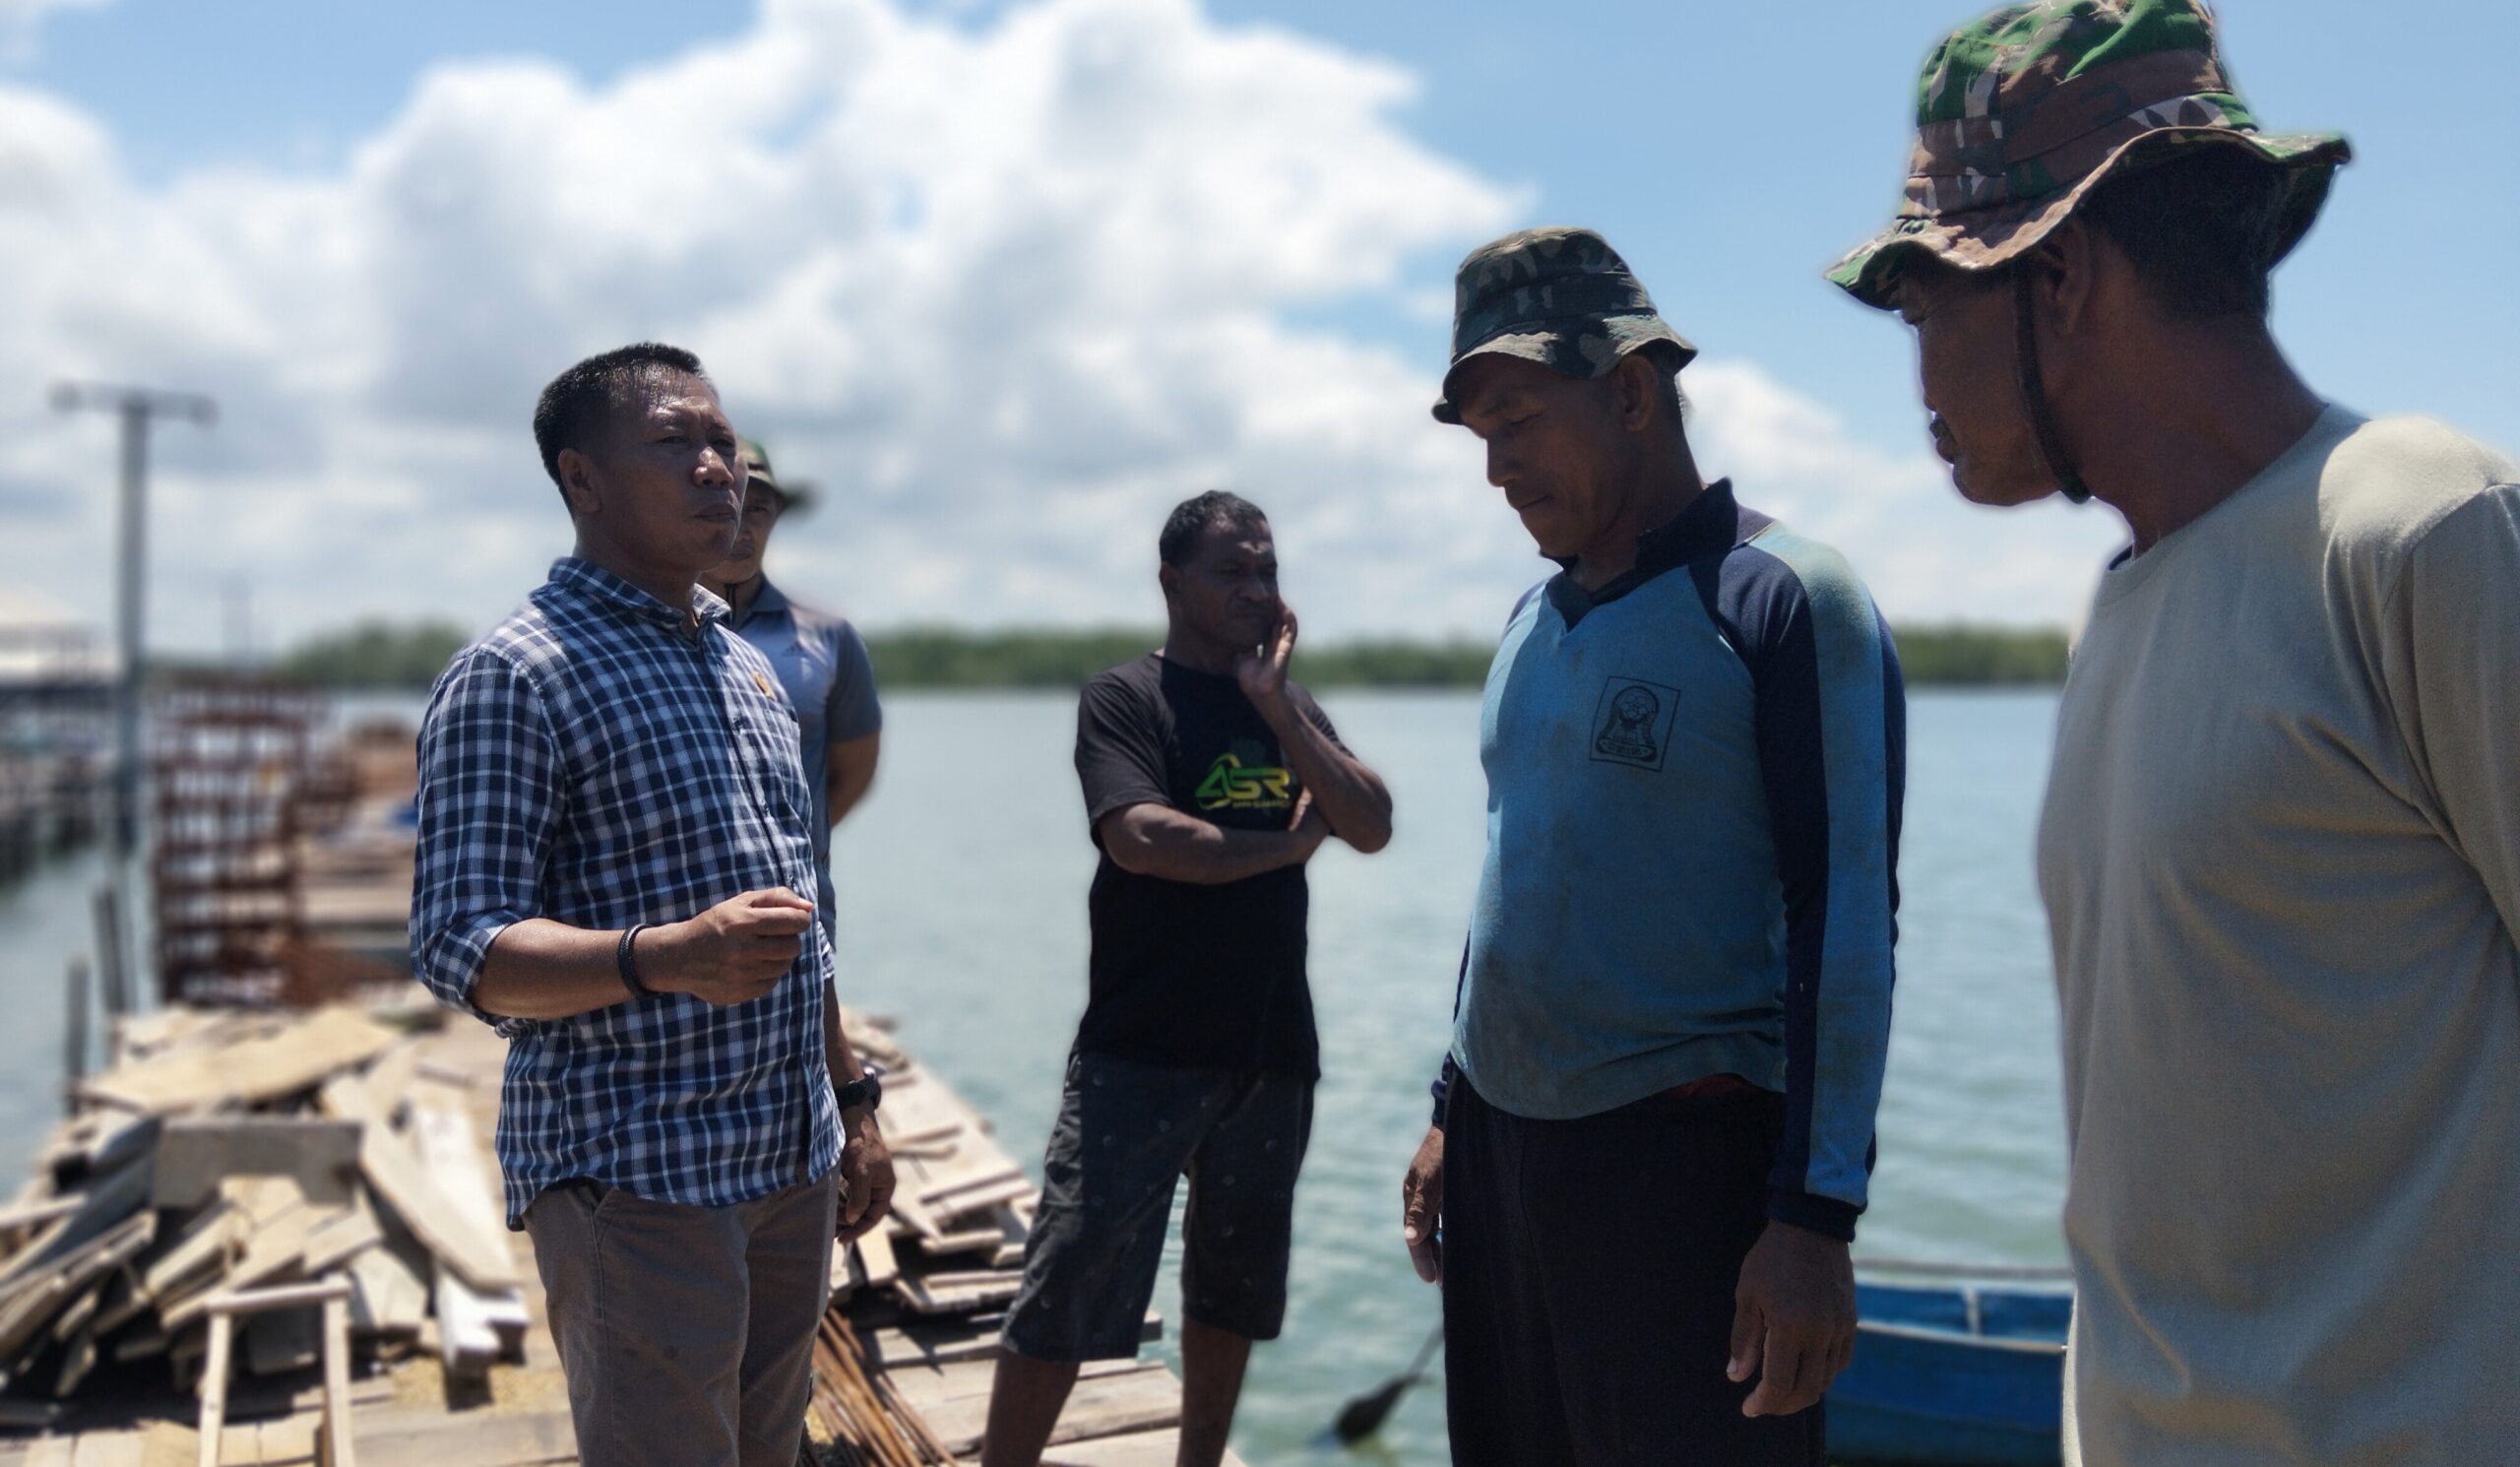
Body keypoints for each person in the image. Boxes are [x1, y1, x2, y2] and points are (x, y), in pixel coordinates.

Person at [1830, 3, 2520, 1461]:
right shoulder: (2125, 600)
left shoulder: (2418, 526)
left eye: (1924, 309)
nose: (1919, 379)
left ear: (2060, 273)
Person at [1401, 226, 1904, 1466]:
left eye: (1517, 421)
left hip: (1682, 1172)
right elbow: (1514, 868)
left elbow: (1845, 918)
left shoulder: (1781, 597)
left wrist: (1813, 1218)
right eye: (1479, 437)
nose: (1495, 469)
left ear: (1629, 391)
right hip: (1503, 1159)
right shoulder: (1532, 616)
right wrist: (1451, 1108)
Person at [409, 343, 896, 1467]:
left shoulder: (745, 668)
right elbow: (459, 943)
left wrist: (852, 1101)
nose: (718, 467)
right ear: (581, 479)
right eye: (677, 442)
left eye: (722, 441)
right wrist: (661, 956)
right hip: (642, 1177)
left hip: (787, 1162)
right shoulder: (518, 673)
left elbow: (802, 924)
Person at [981, 491, 1395, 1467]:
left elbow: (1371, 823)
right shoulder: (1127, 697)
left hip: (1270, 1050)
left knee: (1231, 1290)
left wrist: (1276, 705)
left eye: (1268, 570)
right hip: (1141, 1049)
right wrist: (1287, 845)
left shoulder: (1287, 706)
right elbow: (1142, 839)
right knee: (1068, 1277)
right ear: (1172, 582)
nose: (1257, 589)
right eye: (1232, 571)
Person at [701, 437, 883, 933]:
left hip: (799, 914)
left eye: (757, 508)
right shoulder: (645, 635)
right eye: (728, 504)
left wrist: (782, 843)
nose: (740, 524)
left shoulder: (828, 636)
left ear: (777, 516)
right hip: (676, 920)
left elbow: (853, 772)